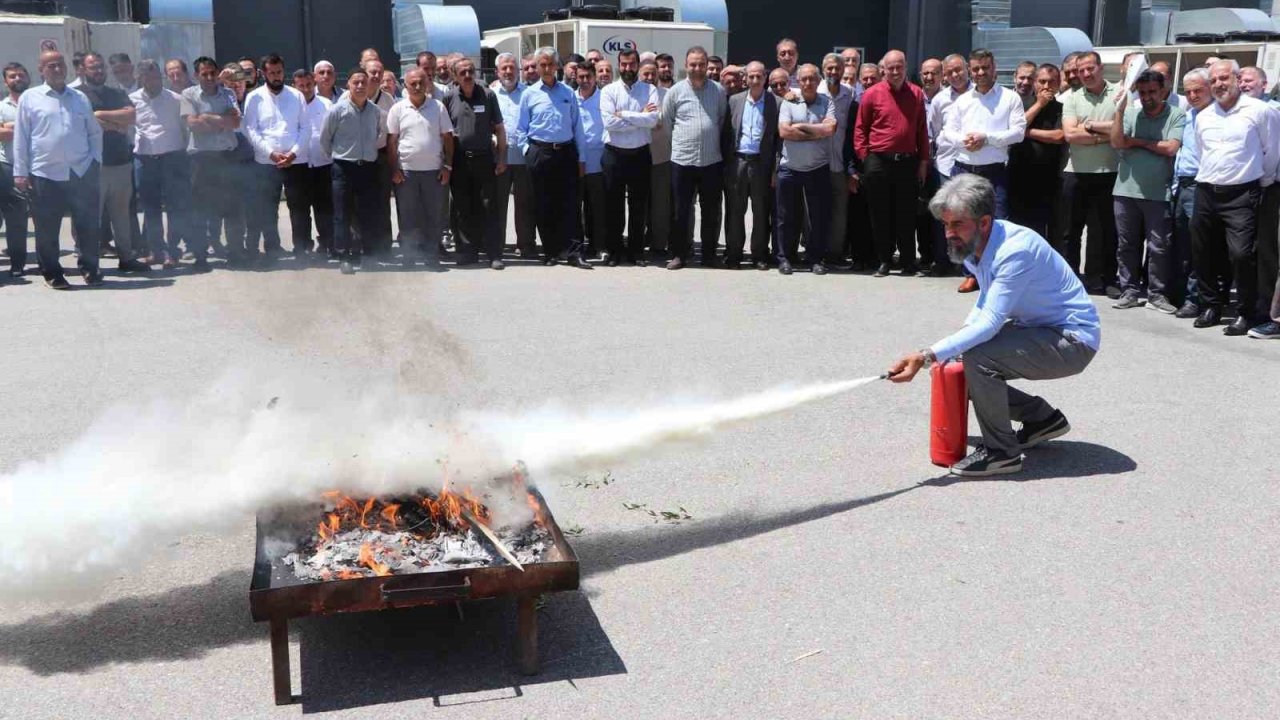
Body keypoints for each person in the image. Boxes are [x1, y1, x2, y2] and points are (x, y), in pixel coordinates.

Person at [887, 174, 1100, 477]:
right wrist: (949, 349)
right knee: (961, 358)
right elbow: (986, 305)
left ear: (984, 222)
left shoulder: (1014, 251)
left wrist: (927, 355)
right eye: (946, 225)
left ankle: (1002, 453)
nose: (949, 233)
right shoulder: (977, 246)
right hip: (1039, 329)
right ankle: (1041, 420)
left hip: (1073, 341)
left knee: (977, 358)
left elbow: (990, 322)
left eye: (957, 224)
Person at [1192, 59, 1280, 336]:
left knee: (1242, 255)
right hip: (1206, 190)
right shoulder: (1204, 115)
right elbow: (1200, 151)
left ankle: (1245, 312)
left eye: (1224, 78)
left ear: (1237, 78)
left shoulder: (1261, 111)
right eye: (1214, 80)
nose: (1219, 84)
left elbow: (1272, 152)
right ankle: (1210, 306)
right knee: (1204, 251)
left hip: (1243, 193)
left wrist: (1260, 183)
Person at [13, 50, 104, 289]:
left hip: (81, 171)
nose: (57, 69)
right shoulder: (30, 98)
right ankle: (53, 272)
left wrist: (95, 161)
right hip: (45, 174)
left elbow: (94, 132)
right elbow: (21, 138)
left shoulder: (79, 98)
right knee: (47, 228)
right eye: (51, 65)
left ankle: (90, 269)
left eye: (60, 65)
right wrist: (20, 172)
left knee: (87, 225)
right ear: (41, 70)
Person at [1108, 70, 1185, 313]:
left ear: (1164, 91)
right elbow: (1118, 142)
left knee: (1158, 247)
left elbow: (1171, 147)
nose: (1147, 97)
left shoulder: (1176, 114)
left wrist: (1138, 141)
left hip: (1158, 193)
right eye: (1142, 93)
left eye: (1152, 92)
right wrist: (1119, 110)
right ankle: (1129, 290)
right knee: (1127, 245)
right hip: (1125, 191)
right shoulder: (1130, 113)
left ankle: (1157, 295)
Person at [854, 50, 930, 278]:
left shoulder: (916, 94)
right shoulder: (872, 94)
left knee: (906, 214)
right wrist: (865, 158)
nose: (895, 72)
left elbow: (921, 130)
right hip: (878, 161)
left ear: (906, 68)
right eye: (891, 68)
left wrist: (924, 161)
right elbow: (860, 129)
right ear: (883, 70)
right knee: (880, 214)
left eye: (900, 67)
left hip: (907, 162)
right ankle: (884, 260)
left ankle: (908, 261)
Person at [514, 47, 590, 268]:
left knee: (571, 205)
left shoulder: (568, 93)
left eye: (550, 64)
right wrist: (528, 151)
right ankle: (551, 251)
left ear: (557, 66)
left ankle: (575, 252)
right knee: (544, 204)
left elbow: (578, 128)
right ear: (537, 67)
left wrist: (581, 158)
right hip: (540, 153)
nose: (547, 69)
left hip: (566, 153)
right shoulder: (529, 95)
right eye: (542, 65)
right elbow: (521, 129)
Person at [661, 46, 728, 270]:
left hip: (711, 160)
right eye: (693, 64)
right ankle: (679, 254)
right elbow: (667, 125)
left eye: (701, 64)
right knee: (680, 210)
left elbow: (720, 120)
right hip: (682, 160)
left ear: (707, 65)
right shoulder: (675, 92)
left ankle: (708, 255)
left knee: (711, 210)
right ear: (686, 65)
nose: (697, 68)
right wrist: (682, 144)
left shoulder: (718, 91)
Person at [1061, 51, 1121, 296]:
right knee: (1070, 232)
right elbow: (1070, 135)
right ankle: (1070, 279)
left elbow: (1123, 127)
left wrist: (1089, 126)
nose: (1085, 74)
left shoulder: (1119, 94)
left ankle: (1104, 280)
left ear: (1100, 67)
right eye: (1081, 70)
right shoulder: (1072, 99)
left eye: (1090, 69)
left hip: (1108, 173)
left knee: (1105, 230)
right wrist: (1105, 136)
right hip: (1076, 173)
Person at [941, 48, 1025, 221]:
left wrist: (986, 139)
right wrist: (966, 141)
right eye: (976, 69)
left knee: (997, 224)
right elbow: (948, 131)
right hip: (963, 171)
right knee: (960, 224)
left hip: (994, 174)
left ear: (994, 68)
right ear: (970, 71)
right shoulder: (962, 100)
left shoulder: (1010, 98)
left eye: (985, 68)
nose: (980, 72)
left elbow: (1018, 133)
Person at [79, 52, 144, 271]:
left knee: (122, 215)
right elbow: (85, 122)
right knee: (90, 217)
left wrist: (100, 114)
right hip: (92, 166)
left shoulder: (116, 93)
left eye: (100, 67)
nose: (98, 71)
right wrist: (115, 124)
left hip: (120, 162)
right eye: (92, 68)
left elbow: (132, 117)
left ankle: (126, 258)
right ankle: (89, 262)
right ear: (83, 70)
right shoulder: (77, 95)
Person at [242, 53, 310, 261]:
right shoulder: (254, 98)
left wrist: (293, 153)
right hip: (265, 162)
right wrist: (271, 153)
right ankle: (273, 248)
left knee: (299, 208)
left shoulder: (296, 96)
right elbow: (250, 131)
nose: (276, 76)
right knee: (268, 208)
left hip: (295, 161)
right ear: (263, 74)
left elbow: (306, 127)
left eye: (279, 72)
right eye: (271, 73)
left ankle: (301, 248)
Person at [320, 66, 388, 274]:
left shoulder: (375, 112)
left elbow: (379, 135)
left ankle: (367, 254)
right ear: (348, 85)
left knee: (367, 213)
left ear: (369, 85)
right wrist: (338, 157)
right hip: (343, 168)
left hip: (367, 168)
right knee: (342, 214)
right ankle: (344, 255)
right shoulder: (336, 110)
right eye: (355, 82)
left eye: (363, 82)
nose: (360, 86)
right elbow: (325, 140)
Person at [443, 57, 507, 268]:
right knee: (462, 207)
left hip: (484, 159)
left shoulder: (488, 95)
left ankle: (493, 254)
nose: (468, 75)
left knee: (489, 206)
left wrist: (501, 158)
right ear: (455, 76)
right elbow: (444, 133)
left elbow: (499, 128)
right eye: (463, 73)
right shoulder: (449, 97)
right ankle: (466, 251)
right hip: (460, 160)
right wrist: (447, 163)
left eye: (471, 71)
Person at [132, 59, 196, 268]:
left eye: (156, 76)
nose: (153, 81)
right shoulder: (131, 100)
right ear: (140, 79)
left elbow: (187, 129)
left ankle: (172, 252)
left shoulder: (175, 99)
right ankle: (155, 250)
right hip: (145, 160)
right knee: (150, 209)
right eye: (148, 77)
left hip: (172, 158)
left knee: (174, 208)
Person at [774, 64, 837, 275]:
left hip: (817, 168)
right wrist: (816, 132)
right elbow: (784, 131)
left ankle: (815, 258)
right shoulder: (789, 102)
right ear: (798, 82)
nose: (808, 83)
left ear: (819, 81)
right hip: (789, 168)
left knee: (817, 217)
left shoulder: (827, 102)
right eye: (804, 79)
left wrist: (800, 127)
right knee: (785, 216)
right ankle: (785, 257)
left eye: (812, 79)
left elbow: (830, 129)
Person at [388, 67, 453, 268]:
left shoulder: (438, 107)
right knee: (408, 217)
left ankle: (431, 255)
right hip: (406, 172)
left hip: (433, 171)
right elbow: (391, 142)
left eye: (420, 83)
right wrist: (394, 170)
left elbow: (448, 138)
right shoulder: (397, 109)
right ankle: (409, 256)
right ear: (405, 86)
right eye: (412, 83)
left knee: (433, 216)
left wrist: (447, 166)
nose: (417, 87)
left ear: (427, 84)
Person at [600, 48, 658, 266]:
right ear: (619, 64)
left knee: (638, 206)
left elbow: (652, 120)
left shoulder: (650, 89)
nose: (627, 68)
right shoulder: (609, 91)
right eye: (623, 64)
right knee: (613, 205)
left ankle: (636, 251)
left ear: (638, 64)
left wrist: (623, 114)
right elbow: (609, 124)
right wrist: (639, 116)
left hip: (640, 155)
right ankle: (614, 250)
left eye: (631, 64)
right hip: (614, 154)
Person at [184, 56, 242, 266]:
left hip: (227, 157)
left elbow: (235, 122)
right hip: (202, 159)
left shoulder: (228, 93)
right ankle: (201, 256)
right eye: (204, 73)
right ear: (196, 75)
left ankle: (235, 253)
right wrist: (221, 120)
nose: (209, 77)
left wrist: (207, 117)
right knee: (200, 209)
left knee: (232, 208)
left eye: (212, 73)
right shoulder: (188, 95)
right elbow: (193, 125)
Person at [722, 60, 778, 270]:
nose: (755, 80)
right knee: (735, 211)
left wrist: (775, 168)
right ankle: (734, 254)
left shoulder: (776, 103)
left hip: (762, 163)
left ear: (765, 78)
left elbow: (778, 139)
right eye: (751, 76)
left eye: (759, 76)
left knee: (760, 211)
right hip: (738, 162)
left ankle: (759, 255)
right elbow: (726, 134)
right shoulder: (734, 101)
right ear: (745, 78)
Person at [1171, 68, 1212, 319]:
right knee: (1182, 244)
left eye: (1198, 90)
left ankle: (1195, 299)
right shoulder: (1188, 116)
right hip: (1182, 185)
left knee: (1199, 247)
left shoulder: (1216, 117)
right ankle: (1181, 294)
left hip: (1201, 185)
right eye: (1189, 92)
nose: (1193, 95)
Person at [1008, 64, 1065, 242]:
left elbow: (1059, 136)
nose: (1046, 86)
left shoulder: (1062, 108)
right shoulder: (1020, 103)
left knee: (1049, 231)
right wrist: (1039, 104)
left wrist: (1026, 133)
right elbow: (1015, 127)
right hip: (1019, 177)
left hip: (1050, 179)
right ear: (1034, 83)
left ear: (1058, 84)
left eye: (1051, 82)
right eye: (1042, 81)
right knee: (1020, 230)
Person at [492, 53, 537, 258]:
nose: (508, 72)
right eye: (504, 68)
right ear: (497, 72)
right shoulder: (490, 94)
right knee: (498, 204)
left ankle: (526, 244)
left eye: (512, 68)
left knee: (525, 205)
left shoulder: (528, 93)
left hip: (523, 158)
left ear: (518, 71)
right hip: (499, 159)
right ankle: (496, 245)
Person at [817, 53, 855, 269]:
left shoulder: (848, 94)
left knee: (840, 212)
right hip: (817, 163)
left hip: (839, 163)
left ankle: (835, 254)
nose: (833, 72)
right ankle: (816, 252)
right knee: (816, 210)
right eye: (830, 68)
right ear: (824, 69)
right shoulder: (815, 91)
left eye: (837, 69)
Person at [293, 68, 334, 259]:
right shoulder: (291, 105)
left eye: (309, 84)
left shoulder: (326, 104)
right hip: (298, 165)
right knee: (300, 210)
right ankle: (302, 247)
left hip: (323, 164)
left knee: (324, 208)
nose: (305, 89)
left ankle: (326, 244)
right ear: (295, 86)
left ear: (314, 83)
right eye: (301, 86)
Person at [0, 62, 30, 277]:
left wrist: (10, 127)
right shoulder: (1, 107)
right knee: (14, 216)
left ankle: (48, 260)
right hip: (7, 166)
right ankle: (17, 264)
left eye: (21, 75)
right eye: (12, 76)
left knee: (43, 216)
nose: (17, 79)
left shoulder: (36, 101)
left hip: (37, 167)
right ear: (6, 81)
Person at [642, 60, 672, 256]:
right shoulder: (635, 95)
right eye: (646, 74)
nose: (650, 78)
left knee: (660, 204)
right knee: (640, 203)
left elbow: (662, 123)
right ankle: (639, 239)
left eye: (653, 73)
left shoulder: (667, 95)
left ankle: (659, 244)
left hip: (662, 156)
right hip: (638, 155)